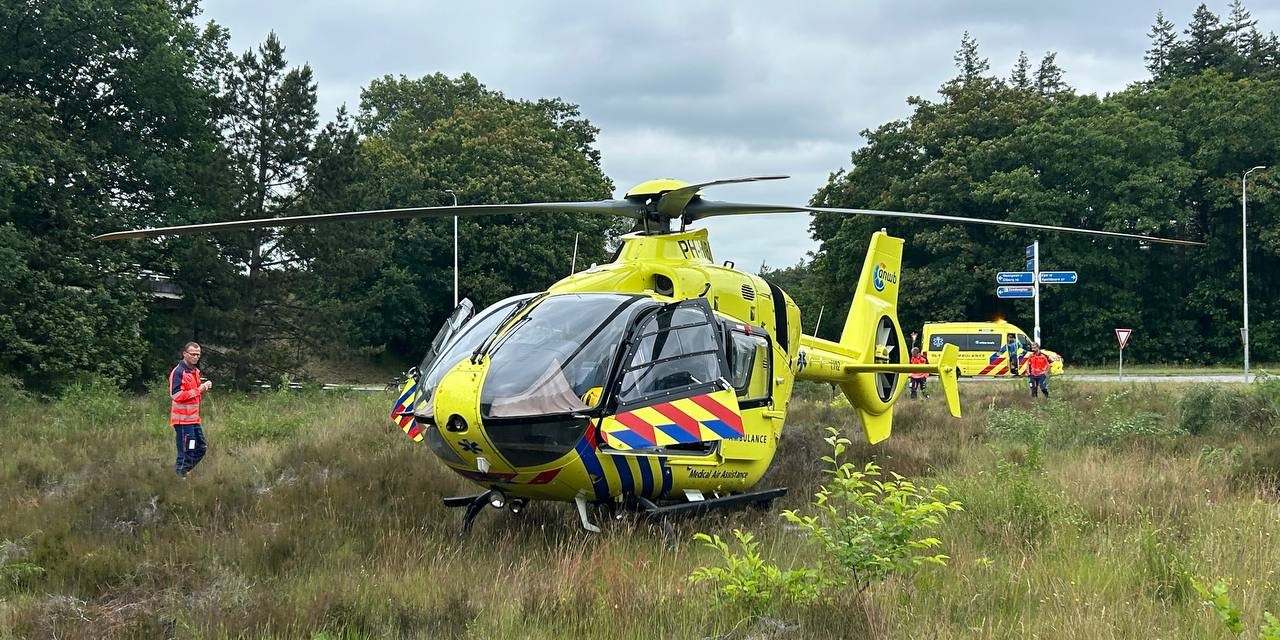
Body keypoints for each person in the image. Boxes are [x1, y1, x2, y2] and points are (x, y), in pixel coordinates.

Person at [170, 341, 212, 478]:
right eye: (192, 354)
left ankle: (183, 472)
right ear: (185, 354)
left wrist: (203, 388)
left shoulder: (194, 371)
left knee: (200, 448)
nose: (195, 357)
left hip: (193, 420)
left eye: (198, 355)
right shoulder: (179, 372)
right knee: (187, 451)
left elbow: (194, 393)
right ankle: (179, 478)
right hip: (182, 421)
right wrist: (199, 389)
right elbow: (176, 395)